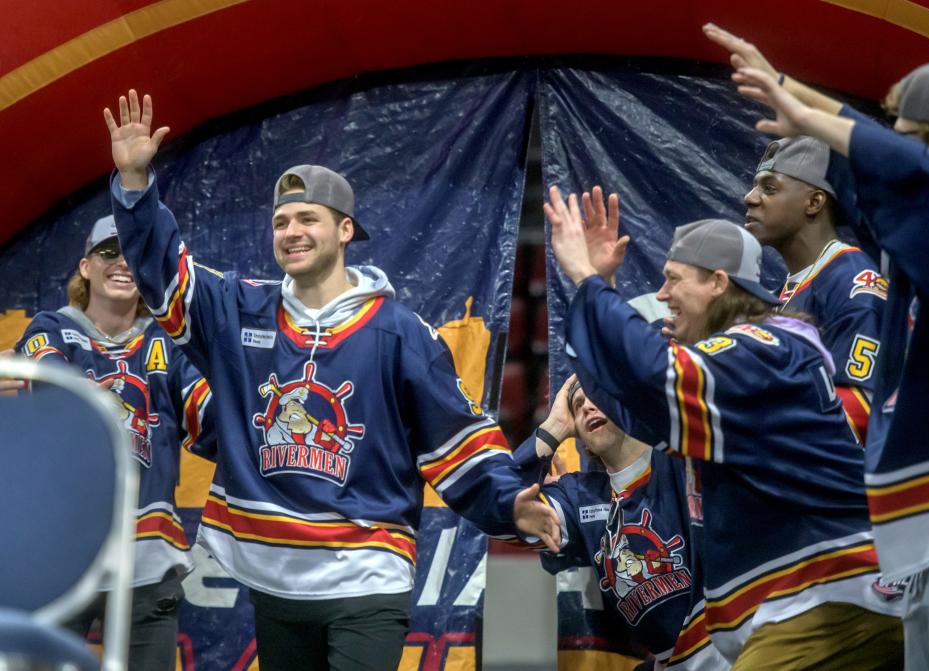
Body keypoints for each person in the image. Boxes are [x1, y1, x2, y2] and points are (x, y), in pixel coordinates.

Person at [101, 89, 560, 670]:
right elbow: (164, 273)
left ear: (346, 230)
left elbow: (459, 440)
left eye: (307, 219)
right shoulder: (240, 312)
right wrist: (137, 187)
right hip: (276, 581)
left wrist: (508, 505)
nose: (291, 231)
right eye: (280, 221)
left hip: (367, 576)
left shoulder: (400, 333)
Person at [546, 188, 903, 669]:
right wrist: (600, 284)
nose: (662, 295)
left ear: (717, 282)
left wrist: (589, 280)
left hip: (828, 597)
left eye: (673, 280)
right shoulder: (741, 370)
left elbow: (657, 374)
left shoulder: (766, 347)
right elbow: (633, 406)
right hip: (800, 605)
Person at [712, 29, 929, 668]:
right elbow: (873, 183)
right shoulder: (909, 244)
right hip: (921, 530)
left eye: (908, 140)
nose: (889, 160)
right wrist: (809, 116)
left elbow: (853, 404)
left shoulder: (879, 262)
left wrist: (803, 103)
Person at [15, 215, 215, 671]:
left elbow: (211, 419)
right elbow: (57, 397)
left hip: (146, 563)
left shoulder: (168, 344)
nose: (122, 262)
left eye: (133, 252)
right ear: (85, 267)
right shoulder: (50, 328)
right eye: (109, 251)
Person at [511, 375, 727, 669]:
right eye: (577, 406)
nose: (587, 407)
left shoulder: (679, 456)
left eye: (597, 397)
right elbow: (502, 506)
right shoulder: (580, 498)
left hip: (740, 647)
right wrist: (555, 428)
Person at [744, 135, 886, 441]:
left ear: (814, 202)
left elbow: (863, 408)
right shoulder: (787, 291)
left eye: (769, 188)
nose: (750, 197)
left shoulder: (852, 283)